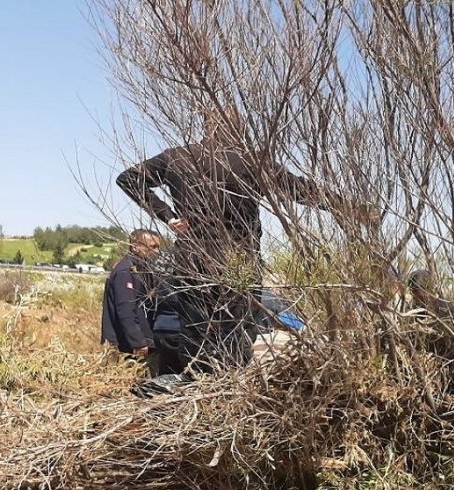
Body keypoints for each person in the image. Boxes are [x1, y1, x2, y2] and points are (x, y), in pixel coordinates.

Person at [115, 113, 374, 372]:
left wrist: (167, 216)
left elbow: (128, 178)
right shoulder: (252, 162)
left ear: (206, 127)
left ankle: (200, 391)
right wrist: (350, 208)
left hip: (193, 263)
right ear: (240, 129)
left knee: (194, 333)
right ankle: (229, 388)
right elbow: (301, 190)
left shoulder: (178, 157)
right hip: (241, 261)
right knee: (238, 333)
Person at [100, 229, 163, 373]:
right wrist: (138, 341)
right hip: (126, 344)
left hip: (133, 341)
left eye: (158, 247)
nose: (157, 251)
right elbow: (125, 309)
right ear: (135, 246)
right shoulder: (126, 271)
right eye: (152, 246)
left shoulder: (140, 269)